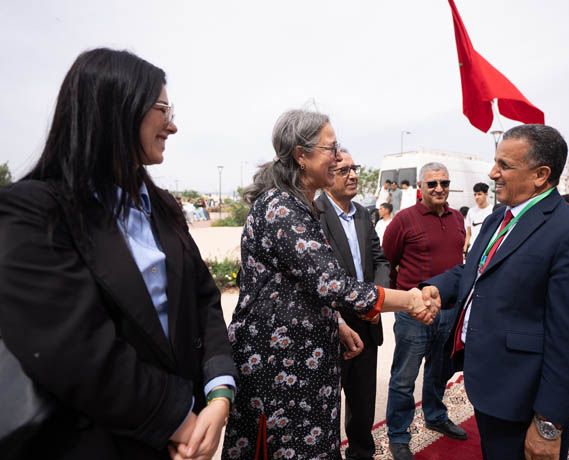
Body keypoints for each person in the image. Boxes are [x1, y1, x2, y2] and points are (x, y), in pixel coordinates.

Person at [0, 48, 238, 460]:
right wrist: (178, 421)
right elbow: (76, 350)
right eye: (162, 110)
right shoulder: (34, 212)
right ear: (118, 109)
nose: (173, 125)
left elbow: (204, 301)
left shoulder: (164, 207)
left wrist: (219, 394)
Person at [222, 109, 438, 460]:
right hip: (279, 369)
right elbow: (333, 284)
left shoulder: (299, 205)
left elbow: (299, 285)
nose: (338, 158)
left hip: (303, 364)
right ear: (301, 155)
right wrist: (410, 300)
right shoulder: (282, 208)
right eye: (331, 148)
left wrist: (336, 323)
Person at [421, 124, 569, 460]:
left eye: (505, 166)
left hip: (525, 395)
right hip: (490, 385)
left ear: (540, 175)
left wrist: (548, 423)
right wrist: (437, 287)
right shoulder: (499, 218)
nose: (492, 173)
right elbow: (475, 270)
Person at [382, 162, 467, 460]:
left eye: (444, 182)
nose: (439, 188)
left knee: (439, 371)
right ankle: (398, 435)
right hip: (414, 315)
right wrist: (404, 301)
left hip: (449, 312)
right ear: (420, 187)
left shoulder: (457, 218)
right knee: (404, 378)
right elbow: (387, 262)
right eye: (432, 183)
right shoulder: (404, 219)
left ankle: (435, 415)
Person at [315, 148, 390, 460]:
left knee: (363, 403)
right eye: (344, 170)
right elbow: (315, 278)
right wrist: (340, 319)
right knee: (325, 408)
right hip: (333, 327)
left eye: (354, 168)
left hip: (368, 323)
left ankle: (361, 454)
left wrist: (377, 301)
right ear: (328, 174)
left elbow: (380, 261)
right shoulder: (313, 213)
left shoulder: (362, 214)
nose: (353, 175)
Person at [463, 182, 494, 254]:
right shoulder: (471, 211)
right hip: (472, 250)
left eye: (479, 194)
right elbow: (469, 233)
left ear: (486, 195)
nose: (477, 197)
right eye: (475, 194)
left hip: (486, 251)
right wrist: (464, 250)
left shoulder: (492, 210)